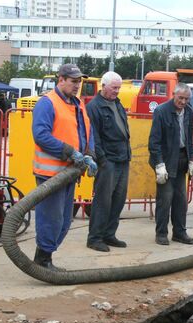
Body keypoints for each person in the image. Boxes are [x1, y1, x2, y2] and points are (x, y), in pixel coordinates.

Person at [31, 63, 98, 269]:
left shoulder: (77, 103)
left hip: (70, 172)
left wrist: (89, 154)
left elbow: (87, 130)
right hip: (51, 174)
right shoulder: (47, 103)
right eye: (73, 81)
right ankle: (43, 261)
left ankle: (45, 257)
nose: (77, 85)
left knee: (64, 221)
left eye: (79, 81)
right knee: (51, 219)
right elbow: (41, 135)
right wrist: (70, 152)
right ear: (61, 80)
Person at [85, 71, 131, 252]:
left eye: (119, 88)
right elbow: (94, 136)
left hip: (122, 158)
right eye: (114, 88)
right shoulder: (94, 107)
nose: (117, 91)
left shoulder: (117, 104)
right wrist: (102, 159)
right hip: (108, 160)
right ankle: (95, 237)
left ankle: (109, 234)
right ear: (103, 86)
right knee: (103, 201)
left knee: (118, 199)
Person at [148, 82, 193, 246]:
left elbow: (189, 139)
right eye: (180, 98)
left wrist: (191, 159)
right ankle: (161, 233)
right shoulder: (161, 112)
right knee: (165, 199)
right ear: (173, 95)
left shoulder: (188, 112)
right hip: (166, 161)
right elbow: (154, 142)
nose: (183, 102)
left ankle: (179, 233)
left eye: (186, 99)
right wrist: (159, 164)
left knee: (181, 200)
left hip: (182, 159)